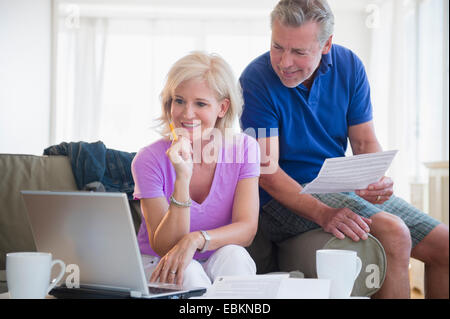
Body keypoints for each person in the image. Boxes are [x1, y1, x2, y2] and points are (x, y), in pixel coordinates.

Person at [239, 0, 448, 298]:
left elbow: (364, 142)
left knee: (446, 246)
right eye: (277, 46)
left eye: (299, 52)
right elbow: (267, 173)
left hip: (337, 187)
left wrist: (375, 178)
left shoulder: (349, 66)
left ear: (326, 45)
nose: (284, 62)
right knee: (394, 231)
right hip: (279, 199)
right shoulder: (255, 79)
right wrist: (324, 214)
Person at [131, 52, 260, 289]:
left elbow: (247, 229)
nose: (186, 113)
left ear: (222, 107)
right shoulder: (148, 159)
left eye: (200, 103)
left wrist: (198, 238)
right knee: (187, 270)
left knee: (236, 256)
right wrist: (182, 178)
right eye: (179, 101)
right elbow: (164, 245)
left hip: (212, 252)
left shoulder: (245, 148)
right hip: (160, 260)